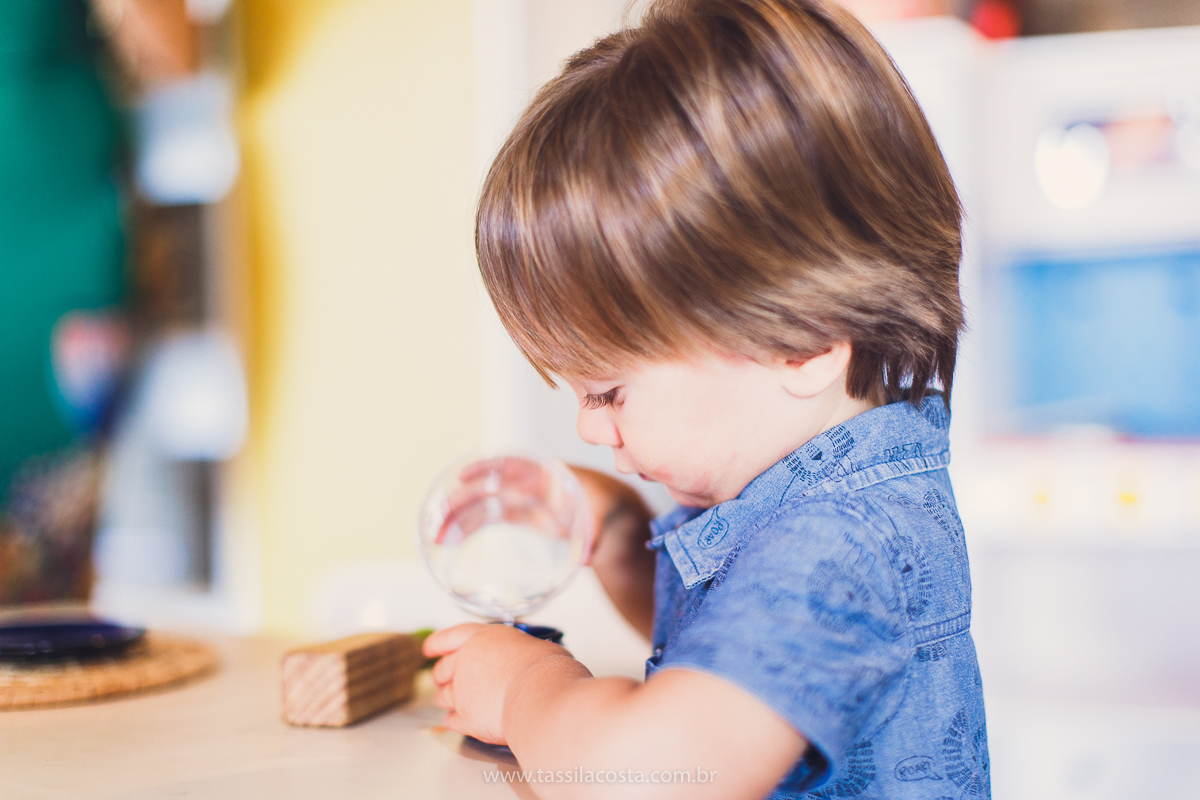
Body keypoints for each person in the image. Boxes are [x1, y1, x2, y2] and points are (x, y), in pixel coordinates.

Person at [423, 1, 987, 797]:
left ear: (802, 343)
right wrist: (621, 540)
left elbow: (649, 777)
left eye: (610, 391)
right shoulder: (829, 500)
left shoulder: (841, 546)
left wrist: (526, 689)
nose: (588, 425)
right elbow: (736, 666)